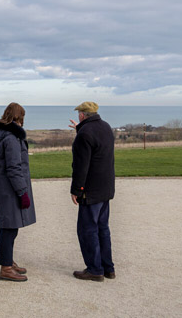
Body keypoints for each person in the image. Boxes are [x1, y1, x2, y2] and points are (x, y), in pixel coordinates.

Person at [69, 101, 116, 281]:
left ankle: (95, 269)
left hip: (91, 189)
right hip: (106, 188)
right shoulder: (105, 127)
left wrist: (77, 190)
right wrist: (79, 130)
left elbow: (81, 166)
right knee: (103, 228)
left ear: (82, 115)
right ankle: (107, 268)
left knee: (87, 229)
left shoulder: (85, 133)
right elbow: (94, 146)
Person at [0, 102, 36, 282]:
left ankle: (7, 261)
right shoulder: (11, 138)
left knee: (10, 226)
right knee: (9, 227)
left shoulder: (2, 135)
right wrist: (22, 192)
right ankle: (6, 268)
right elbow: (14, 168)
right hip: (10, 188)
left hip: (4, 187)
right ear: (18, 117)